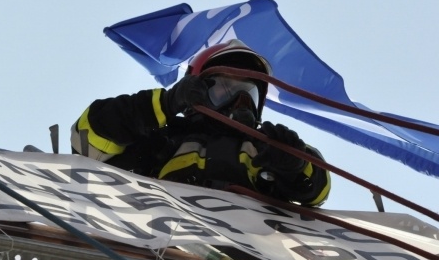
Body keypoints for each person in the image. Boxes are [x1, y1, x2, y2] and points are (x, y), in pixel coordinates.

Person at [71, 40, 330, 206]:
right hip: (165, 254)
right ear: (195, 88)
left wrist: (295, 164)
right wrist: (166, 103)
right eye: (225, 89)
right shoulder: (163, 138)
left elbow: (318, 190)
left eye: (248, 95)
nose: (239, 103)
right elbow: (88, 135)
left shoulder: (265, 152)